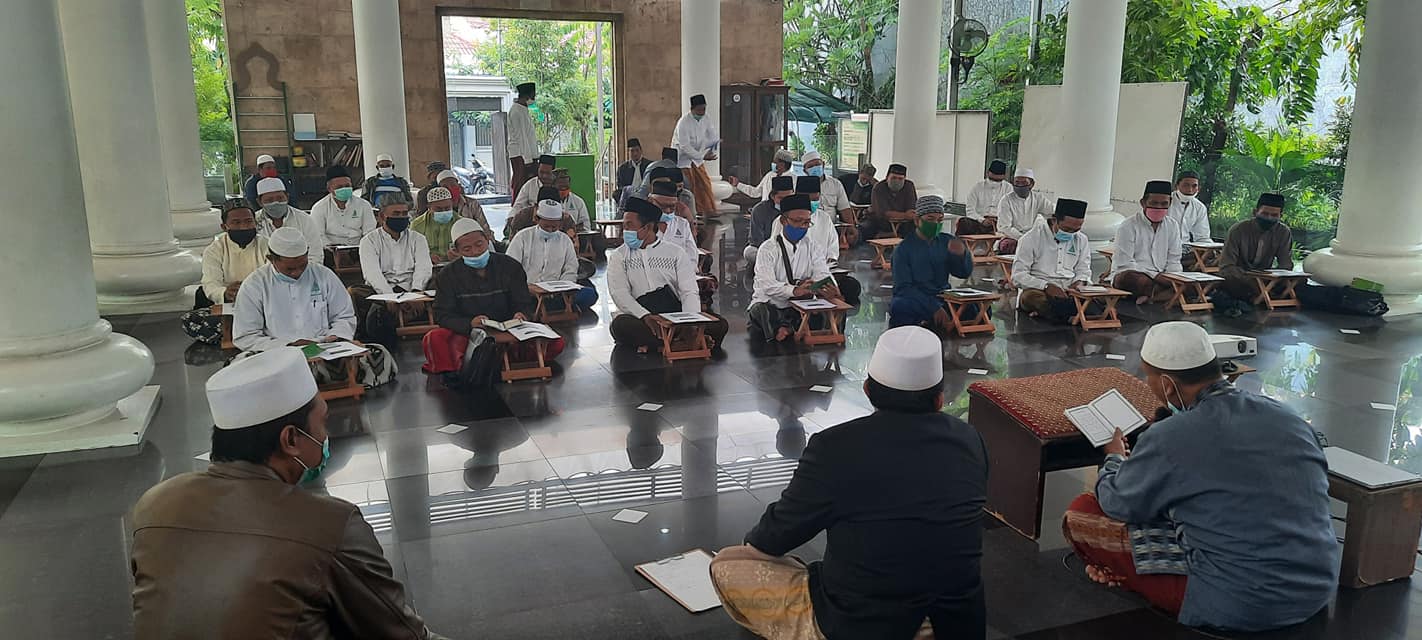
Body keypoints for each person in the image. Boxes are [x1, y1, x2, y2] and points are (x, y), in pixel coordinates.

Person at [128, 348, 444, 639]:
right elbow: (401, 634)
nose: (325, 436)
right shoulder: (331, 524)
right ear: (291, 439)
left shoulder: (155, 504)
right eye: (323, 423)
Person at [711, 325, 988, 640]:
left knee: (729, 564)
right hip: (957, 625)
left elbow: (774, 536)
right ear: (939, 399)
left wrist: (754, 546)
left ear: (868, 391)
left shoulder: (834, 447)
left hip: (864, 625)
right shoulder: (971, 439)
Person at [1063, 321, 1338, 632]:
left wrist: (1114, 457)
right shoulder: (1289, 417)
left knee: (1083, 511)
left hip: (1236, 602)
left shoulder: (1171, 435)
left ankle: (1129, 575)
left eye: (1148, 376)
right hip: (1314, 587)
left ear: (1167, 384)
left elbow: (1117, 503)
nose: (1148, 383)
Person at [233, 227, 396, 388]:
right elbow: (246, 336)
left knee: (379, 353)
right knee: (238, 365)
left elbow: (344, 317)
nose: (297, 273)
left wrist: (335, 337)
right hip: (278, 354)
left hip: (324, 349)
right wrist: (287, 346)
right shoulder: (254, 285)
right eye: (289, 268)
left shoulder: (324, 275)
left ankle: (291, 386)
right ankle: (317, 378)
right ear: (271, 259)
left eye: (302, 266)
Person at [422, 219, 564, 378]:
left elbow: (524, 303)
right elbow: (442, 315)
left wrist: (522, 315)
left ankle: (492, 361)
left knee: (556, 341)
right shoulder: (447, 276)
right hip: (471, 333)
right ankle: (484, 363)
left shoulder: (510, 266)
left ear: (488, 240)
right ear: (456, 250)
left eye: (479, 245)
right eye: (467, 249)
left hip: (511, 329)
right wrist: (470, 323)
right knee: (434, 339)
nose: (475, 252)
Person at [607, 196, 729, 352]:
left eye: (630, 226)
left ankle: (666, 343)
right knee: (620, 326)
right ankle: (681, 343)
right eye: (624, 226)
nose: (625, 231)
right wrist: (645, 316)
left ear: (648, 227)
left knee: (720, 324)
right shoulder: (619, 256)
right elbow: (619, 293)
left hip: (674, 313)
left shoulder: (675, 253)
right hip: (643, 317)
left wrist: (689, 323)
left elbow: (688, 291)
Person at [747, 194, 843, 342]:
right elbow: (767, 285)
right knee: (762, 312)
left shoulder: (813, 246)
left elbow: (822, 273)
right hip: (773, 303)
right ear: (783, 221)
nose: (803, 226)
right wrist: (795, 290)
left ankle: (787, 329)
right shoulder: (768, 249)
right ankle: (788, 328)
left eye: (806, 222)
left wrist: (831, 288)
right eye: (798, 221)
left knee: (826, 310)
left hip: (799, 305)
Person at [181, 199, 269, 345]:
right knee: (190, 321)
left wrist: (253, 293)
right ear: (224, 226)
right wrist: (226, 293)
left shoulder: (267, 245)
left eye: (248, 221)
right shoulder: (214, 250)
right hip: (230, 307)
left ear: (255, 223)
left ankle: (246, 333)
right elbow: (210, 284)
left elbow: (275, 279)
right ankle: (252, 333)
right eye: (236, 223)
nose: (243, 227)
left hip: (263, 306)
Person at [352, 193, 433, 347]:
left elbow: (424, 267)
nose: (402, 217)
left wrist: (416, 292)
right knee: (355, 292)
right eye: (396, 214)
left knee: (441, 282)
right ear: (382, 217)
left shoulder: (418, 238)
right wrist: (388, 296)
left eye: (404, 213)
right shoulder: (369, 241)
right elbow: (372, 274)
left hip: (414, 288)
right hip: (382, 292)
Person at [888, 195, 977, 332]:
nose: (935, 224)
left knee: (976, 307)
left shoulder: (947, 241)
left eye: (940, 220)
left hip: (942, 296)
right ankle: (936, 321)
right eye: (930, 219)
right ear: (917, 221)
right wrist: (933, 307)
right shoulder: (903, 249)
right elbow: (903, 288)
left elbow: (963, 273)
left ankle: (933, 322)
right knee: (899, 306)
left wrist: (961, 256)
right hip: (916, 299)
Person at [773, 176, 862, 305]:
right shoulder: (783, 220)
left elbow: (833, 245)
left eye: (816, 199)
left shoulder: (824, 218)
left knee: (851, 287)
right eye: (809, 199)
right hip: (792, 275)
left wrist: (830, 260)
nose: (812, 203)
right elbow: (778, 250)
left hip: (821, 271)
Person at [1011, 198, 1092, 323]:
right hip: (1039, 290)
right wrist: (1046, 286)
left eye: (1076, 230)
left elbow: (1083, 269)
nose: (1071, 234)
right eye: (1067, 229)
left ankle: (1062, 314)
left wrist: (1079, 283)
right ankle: (1076, 313)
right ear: (1054, 220)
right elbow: (1017, 276)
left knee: (1103, 296)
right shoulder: (1031, 238)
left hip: (1070, 291)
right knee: (1030, 298)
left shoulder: (1081, 239)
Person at [508, 200, 598, 310]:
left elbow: (571, 268)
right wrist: (528, 288)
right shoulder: (522, 237)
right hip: (528, 290)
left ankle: (546, 307)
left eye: (554, 227)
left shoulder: (565, 240)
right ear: (537, 220)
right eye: (546, 226)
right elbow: (510, 270)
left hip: (557, 292)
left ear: (560, 224)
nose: (550, 230)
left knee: (589, 294)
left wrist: (564, 287)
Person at [1110, 180, 1184, 306]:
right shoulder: (1128, 226)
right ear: (1143, 203)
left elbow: (1174, 260)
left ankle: (1154, 297)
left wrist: (1173, 278)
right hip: (1135, 274)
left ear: (1170, 203)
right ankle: (1169, 295)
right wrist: (1156, 276)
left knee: (1196, 284)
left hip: (1163, 277)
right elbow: (1125, 263)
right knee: (1134, 280)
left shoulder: (1172, 226)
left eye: (1164, 204)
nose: (1159, 208)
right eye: (1154, 203)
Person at [1219, 192, 1293, 300]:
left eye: (1274, 215)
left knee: (1299, 283)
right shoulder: (1238, 230)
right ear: (1255, 212)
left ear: (1280, 216)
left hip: (1266, 278)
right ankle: (1264, 296)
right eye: (1264, 214)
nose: (1269, 218)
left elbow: (1286, 266)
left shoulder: (1283, 232)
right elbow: (1226, 266)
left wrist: (1271, 280)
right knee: (1228, 280)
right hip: (1242, 278)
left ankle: (1263, 295)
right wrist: (1252, 280)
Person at [253, 176, 323, 262]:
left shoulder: (304, 219)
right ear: (259, 202)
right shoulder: (253, 221)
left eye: (280, 198)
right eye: (269, 200)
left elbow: (315, 254)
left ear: (287, 197)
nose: (276, 203)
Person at [673, 94, 720, 215]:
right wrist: (702, 156)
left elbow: (713, 135)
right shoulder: (683, 123)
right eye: (699, 109)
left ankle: (708, 211)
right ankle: (691, 213)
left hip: (697, 157)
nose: (702, 112)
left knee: (705, 183)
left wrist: (713, 147)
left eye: (704, 109)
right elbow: (685, 146)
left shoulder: (706, 118)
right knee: (690, 185)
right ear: (692, 109)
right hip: (683, 159)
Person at [311, 164, 376, 247]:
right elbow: (318, 236)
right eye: (339, 187)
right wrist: (333, 248)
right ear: (329, 188)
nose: (344, 189)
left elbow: (370, 232)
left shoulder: (364, 205)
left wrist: (362, 248)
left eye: (347, 186)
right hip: (331, 249)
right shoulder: (319, 208)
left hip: (359, 248)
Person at [994, 167, 1054, 255]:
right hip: (1011, 237)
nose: (1020, 186)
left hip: (1032, 236)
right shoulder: (1006, 200)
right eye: (1017, 182)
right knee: (1009, 246)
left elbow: (1052, 211)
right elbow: (1005, 227)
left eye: (1024, 183)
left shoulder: (1038, 198)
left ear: (1031, 184)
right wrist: (1023, 238)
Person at [743, 175, 795, 264]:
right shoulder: (759, 210)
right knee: (750, 252)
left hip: (792, 250)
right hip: (766, 250)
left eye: (789, 198)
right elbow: (756, 240)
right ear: (772, 196)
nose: (785, 201)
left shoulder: (797, 209)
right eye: (781, 198)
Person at [862, 163, 917, 243]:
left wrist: (906, 215)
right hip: (880, 222)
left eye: (900, 179)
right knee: (864, 230)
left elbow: (912, 212)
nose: (897, 181)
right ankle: (891, 234)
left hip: (903, 223)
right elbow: (884, 213)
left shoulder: (909, 186)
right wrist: (905, 215)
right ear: (887, 177)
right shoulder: (878, 188)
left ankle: (890, 235)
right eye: (894, 178)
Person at [409, 186, 459, 266]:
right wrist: (426, 257)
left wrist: (461, 255)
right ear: (429, 207)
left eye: (447, 208)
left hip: (456, 266)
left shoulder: (461, 223)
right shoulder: (417, 225)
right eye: (438, 209)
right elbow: (410, 252)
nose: (444, 212)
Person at [960, 159, 1011, 236]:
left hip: (999, 224)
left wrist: (998, 219)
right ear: (987, 173)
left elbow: (1010, 211)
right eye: (992, 179)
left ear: (1004, 177)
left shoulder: (1009, 189)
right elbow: (970, 210)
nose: (994, 182)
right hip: (979, 222)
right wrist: (982, 220)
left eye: (998, 180)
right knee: (964, 222)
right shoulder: (977, 187)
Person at [506, 81, 539, 194]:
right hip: (520, 154)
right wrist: (527, 159)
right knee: (520, 184)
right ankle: (517, 208)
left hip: (527, 155)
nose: (534, 98)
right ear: (527, 95)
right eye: (533, 95)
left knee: (530, 185)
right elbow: (521, 137)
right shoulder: (516, 111)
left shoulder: (523, 109)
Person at [731, 148, 796, 201]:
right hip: (765, 211)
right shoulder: (770, 175)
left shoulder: (793, 179)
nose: (773, 164)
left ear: (782, 164)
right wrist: (738, 184)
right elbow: (756, 192)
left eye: (775, 162)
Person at [1169, 170, 1211, 244]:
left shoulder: (1200, 207)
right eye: (1186, 185)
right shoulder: (1166, 202)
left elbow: (1202, 237)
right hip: (1163, 246)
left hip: (1186, 248)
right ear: (1176, 186)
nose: (1190, 190)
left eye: (1194, 186)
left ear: (1198, 188)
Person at [614, 137, 651, 203]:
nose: (635, 154)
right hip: (629, 194)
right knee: (616, 193)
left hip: (645, 194)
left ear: (641, 151)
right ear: (628, 152)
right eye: (632, 151)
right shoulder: (622, 168)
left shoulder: (649, 165)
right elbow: (620, 186)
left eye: (637, 150)